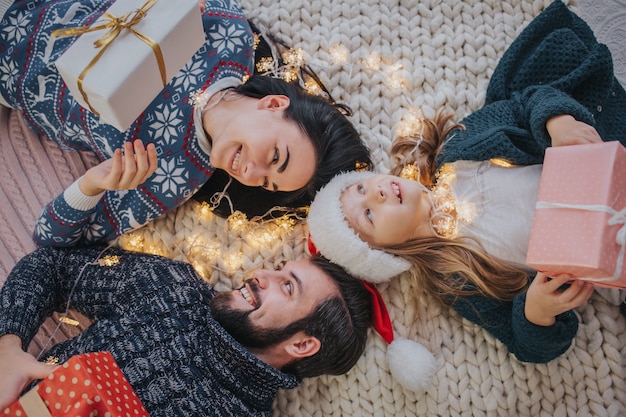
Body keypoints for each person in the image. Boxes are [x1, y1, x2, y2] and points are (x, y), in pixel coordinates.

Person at [307, 0, 626, 364]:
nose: (377, 193)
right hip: (611, 252)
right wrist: (536, 312)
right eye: (368, 214)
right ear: (384, 253)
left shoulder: (461, 154)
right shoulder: (455, 278)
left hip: (606, 170)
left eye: (363, 187)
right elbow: (524, 343)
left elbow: (525, 104)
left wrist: (557, 122)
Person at [0, 0, 372, 247]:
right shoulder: (230, 36)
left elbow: (51, 238)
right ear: (274, 104)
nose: (251, 171)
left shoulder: (170, 177)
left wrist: (93, 183)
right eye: (275, 156)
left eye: (264, 182)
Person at [0, 245, 372, 416]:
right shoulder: (171, 286)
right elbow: (53, 268)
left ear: (302, 344)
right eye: (278, 268)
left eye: (287, 286)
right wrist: (8, 346)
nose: (261, 275)